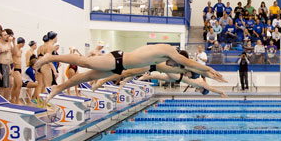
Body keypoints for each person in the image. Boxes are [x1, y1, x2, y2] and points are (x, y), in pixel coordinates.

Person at [36, 43, 226, 104]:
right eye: (174, 62)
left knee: (87, 76)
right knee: (85, 62)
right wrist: (209, 69)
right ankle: (49, 58)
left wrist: (209, 73)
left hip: (119, 67)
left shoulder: (164, 63)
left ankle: (58, 88)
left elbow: (188, 68)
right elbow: (187, 62)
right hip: (117, 59)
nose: (172, 65)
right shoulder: (168, 50)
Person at [0, 28, 14, 99]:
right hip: (1, 65)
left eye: (7, 35)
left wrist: (10, 68)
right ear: (1, 37)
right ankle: (0, 100)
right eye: (5, 35)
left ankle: (6, 100)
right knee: (2, 87)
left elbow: (10, 55)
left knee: (8, 85)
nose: (7, 36)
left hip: (7, 65)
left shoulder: (8, 44)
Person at [10, 37, 25, 104]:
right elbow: (10, 56)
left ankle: (13, 99)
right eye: (23, 43)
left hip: (19, 69)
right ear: (21, 43)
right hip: (15, 69)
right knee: (19, 84)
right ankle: (17, 100)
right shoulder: (15, 49)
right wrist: (13, 62)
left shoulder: (20, 50)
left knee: (15, 86)